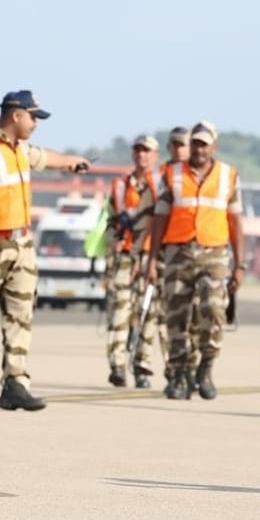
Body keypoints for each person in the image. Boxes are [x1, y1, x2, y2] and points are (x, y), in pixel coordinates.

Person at [0, 90, 90, 410]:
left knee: (20, 315)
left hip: (21, 244)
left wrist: (72, 163)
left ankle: (15, 383)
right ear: (15, 116)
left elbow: (46, 158)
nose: (35, 124)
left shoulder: (20, 150)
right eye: (33, 117)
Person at [146, 121, 244, 401]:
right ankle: (178, 375)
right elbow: (159, 219)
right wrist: (152, 261)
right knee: (176, 316)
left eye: (204, 144)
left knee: (213, 310)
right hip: (178, 252)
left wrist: (240, 265)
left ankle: (206, 365)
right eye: (196, 143)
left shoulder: (228, 176)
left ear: (214, 146)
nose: (199, 149)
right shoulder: (172, 174)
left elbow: (236, 222)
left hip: (214, 253)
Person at [103, 135, 160, 388]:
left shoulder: (162, 185)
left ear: (155, 155)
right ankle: (117, 365)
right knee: (120, 311)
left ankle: (142, 366)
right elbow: (110, 221)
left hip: (151, 256)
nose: (142, 155)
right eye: (138, 150)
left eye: (147, 151)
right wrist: (111, 245)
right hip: (125, 255)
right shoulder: (120, 186)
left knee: (148, 313)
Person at [157, 126, 199, 395]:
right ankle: (175, 372)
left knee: (196, 318)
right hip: (168, 255)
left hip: (199, 256)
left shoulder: (202, 176)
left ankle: (192, 369)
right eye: (173, 145)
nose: (177, 149)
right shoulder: (165, 176)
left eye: (181, 145)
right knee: (171, 318)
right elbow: (153, 218)